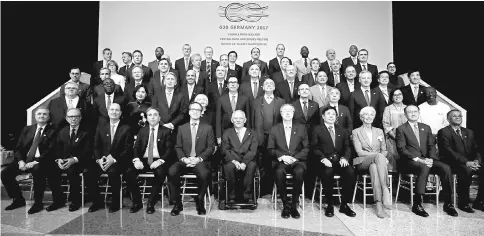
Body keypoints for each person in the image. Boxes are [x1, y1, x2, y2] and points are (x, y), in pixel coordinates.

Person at [396, 105, 457, 217]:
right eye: (410, 112)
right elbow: (402, 149)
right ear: (405, 114)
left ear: (419, 113)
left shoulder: (426, 127)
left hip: (427, 160)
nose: (413, 113)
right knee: (424, 167)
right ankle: (417, 204)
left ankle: (448, 204)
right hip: (409, 161)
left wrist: (431, 159)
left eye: (415, 111)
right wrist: (419, 160)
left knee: (445, 168)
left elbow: (431, 145)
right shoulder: (401, 129)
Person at [1, 107, 59, 214]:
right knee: (5, 173)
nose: (41, 116)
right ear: (35, 116)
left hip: (41, 161)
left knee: (38, 171)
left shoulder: (53, 131)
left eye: (44, 114)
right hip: (25, 160)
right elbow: (18, 148)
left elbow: (51, 150)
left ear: (49, 117)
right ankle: (18, 199)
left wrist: (35, 162)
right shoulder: (27, 129)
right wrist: (20, 161)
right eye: (39, 114)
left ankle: (38, 203)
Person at [169, 102, 216, 216]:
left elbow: (211, 147)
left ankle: (199, 201)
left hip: (200, 160)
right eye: (193, 109)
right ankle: (177, 203)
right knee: (172, 171)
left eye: (198, 110)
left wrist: (198, 159)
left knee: (204, 173)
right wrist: (185, 159)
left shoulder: (208, 128)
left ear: (201, 113)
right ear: (189, 112)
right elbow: (178, 147)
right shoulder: (181, 128)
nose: (195, 111)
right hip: (185, 160)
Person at [87, 103, 133, 213]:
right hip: (102, 160)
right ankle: (97, 202)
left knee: (113, 173)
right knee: (88, 172)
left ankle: (115, 202)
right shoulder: (101, 126)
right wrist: (98, 159)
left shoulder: (126, 128)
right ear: (108, 112)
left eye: (117, 110)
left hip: (118, 161)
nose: (114, 112)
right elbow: (96, 146)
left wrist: (113, 159)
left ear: (120, 113)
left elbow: (128, 149)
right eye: (112, 109)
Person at [125, 107, 173, 214]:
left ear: (159, 117)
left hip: (158, 159)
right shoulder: (142, 130)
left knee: (160, 173)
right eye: (150, 115)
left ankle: (151, 202)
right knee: (129, 172)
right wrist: (136, 160)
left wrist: (160, 161)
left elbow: (169, 150)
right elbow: (136, 147)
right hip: (144, 159)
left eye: (155, 114)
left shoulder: (166, 131)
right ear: (146, 118)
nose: (152, 117)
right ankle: (137, 202)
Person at [311, 106, 356, 218]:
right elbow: (314, 147)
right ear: (323, 116)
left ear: (336, 117)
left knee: (350, 172)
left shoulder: (342, 130)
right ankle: (330, 204)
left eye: (333, 114)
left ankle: (344, 204)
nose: (331, 116)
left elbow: (347, 147)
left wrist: (345, 158)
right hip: (323, 162)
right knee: (328, 173)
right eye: (328, 114)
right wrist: (323, 159)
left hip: (339, 161)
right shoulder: (317, 129)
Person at [438, 109, 484, 213]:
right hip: (452, 163)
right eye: (454, 116)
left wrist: (477, 161)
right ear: (448, 119)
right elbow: (448, 152)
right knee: (466, 170)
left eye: (459, 116)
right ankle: (463, 203)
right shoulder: (444, 132)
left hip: (469, 162)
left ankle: (479, 201)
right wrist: (466, 162)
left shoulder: (469, 132)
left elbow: (476, 149)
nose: (458, 117)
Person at [268, 104, 309, 219]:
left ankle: (294, 205)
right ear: (280, 113)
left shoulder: (301, 128)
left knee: (299, 172)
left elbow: (306, 147)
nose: (287, 113)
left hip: (297, 160)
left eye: (290, 110)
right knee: (279, 172)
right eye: (284, 111)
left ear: (293, 113)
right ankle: (286, 204)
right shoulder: (274, 129)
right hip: (281, 161)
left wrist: (295, 158)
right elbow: (270, 149)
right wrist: (282, 157)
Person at [352, 106, 392, 218]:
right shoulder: (356, 132)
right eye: (366, 114)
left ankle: (379, 205)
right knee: (378, 157)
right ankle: (385, 189)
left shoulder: (379, 131)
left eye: (371, 114)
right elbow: (359, 152)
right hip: (362, 162)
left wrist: (380, 156)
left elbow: (384, 150)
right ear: (361, 117)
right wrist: (379, 156)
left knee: (374, 168)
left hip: (377, 163)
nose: (369, 117)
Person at [52, 108, 93, 212]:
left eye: (76, 116)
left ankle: (76, 201)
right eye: (70, 116)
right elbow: (57, 148)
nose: (73, 119)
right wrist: (59, 159)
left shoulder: (87, 131)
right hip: (64, 160)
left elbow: (88, 150)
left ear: (80, 118)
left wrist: (74, 159)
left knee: (72, 171)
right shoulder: (62, 131)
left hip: (80, 161)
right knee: (51, 171)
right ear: (66, 118)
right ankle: (58, 200)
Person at [252, 78, 285, 196]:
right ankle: (261, 190)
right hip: (260, 136)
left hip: (275, 138)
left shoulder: (281, 102)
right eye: (267, 84)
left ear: (274, 87)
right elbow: (251, 120)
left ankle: (273, 189)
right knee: (261, 163)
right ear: (263, 87)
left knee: (273, 163)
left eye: (272, 83)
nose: (269, 85)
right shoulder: (256, 101)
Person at [221, 110, 258, 204]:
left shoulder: (252, 133)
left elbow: (252, 150)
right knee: (229, 166)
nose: (238, 120)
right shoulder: (227, 132)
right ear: (232, 120)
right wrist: (234, 161)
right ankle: (231, 196)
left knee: (252, 165)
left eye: (241, 118)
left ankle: (248, 196)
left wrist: (244, 162)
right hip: (232, 160)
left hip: (247, 160)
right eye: (236, 118)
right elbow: (225, 150)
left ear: (245, 120)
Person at [216, 77, 251, 145]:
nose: (232, 84)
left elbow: (248, 117)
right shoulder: (221, 99)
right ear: (227, 85)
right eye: (230, 82)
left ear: (238, 85)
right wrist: (218, 136)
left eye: (235, 82)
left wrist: (248, 133)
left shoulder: (245, 99)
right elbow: (218, 118)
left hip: (241, 132)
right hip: (225, 131)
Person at [382, 89, 407, 171]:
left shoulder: (407, 108)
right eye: (395, 95)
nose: (398, 96)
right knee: (392, 157)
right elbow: (386, 124)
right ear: (392, 98)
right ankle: (393, 181)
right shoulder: (388, 108)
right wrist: (395, 137)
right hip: (392, 138)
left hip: (407, 139)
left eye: (399, 94)